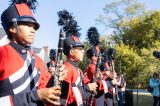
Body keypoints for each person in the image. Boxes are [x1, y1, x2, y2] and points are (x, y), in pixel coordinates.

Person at [0, 1, 66, 106]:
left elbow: (43, 91)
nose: (33, 30)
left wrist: (55, 80)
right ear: (12, 28)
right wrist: (35, 96)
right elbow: (37, 95)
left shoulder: (38, 61)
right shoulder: (2, 54)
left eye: (34, 27)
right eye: (27, 25)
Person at [59, 10, 99, 106]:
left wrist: (93, 83)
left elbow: (84, 84)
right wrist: (87, 88)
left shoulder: (78, 70)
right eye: (80, 49)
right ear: (72, 51)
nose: (83, 51)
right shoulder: (66, 69)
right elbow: (66, 98)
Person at [85, 27, 108, 106]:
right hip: (95, 95)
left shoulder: (96, 66)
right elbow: (98, 81)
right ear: (93, 57)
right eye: (97, 55)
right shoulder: (92, 67)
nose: (99, 57)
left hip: (100, 94)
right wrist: (109, 82)